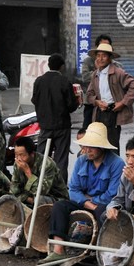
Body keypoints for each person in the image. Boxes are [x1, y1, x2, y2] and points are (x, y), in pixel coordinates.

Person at [42, 123, 125, 264]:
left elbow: (112, 194)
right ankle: (58, 250)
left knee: (103, 213)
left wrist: (93, 202)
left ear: (101, 147)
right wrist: (87, 203)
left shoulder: (116, 163)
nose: (86, 150)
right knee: (59, 206)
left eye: (91, 147)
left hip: (104, 205)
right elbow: (73, 189)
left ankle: (103, 251)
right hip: (85, 203)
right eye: (85, 146)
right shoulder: (81, 160)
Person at [85, 41, 134, 149]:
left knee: (111, 145)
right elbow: (89, 94)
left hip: (112, 113)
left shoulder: (118, 72)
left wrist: (122, 102)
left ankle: (115, 166)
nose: (100, 58)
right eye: (98, 56)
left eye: (104, 56)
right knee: (99, 145)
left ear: (110, 58)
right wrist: (97, 102)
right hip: (99, 113)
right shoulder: (95, 74)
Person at [32, 53, 79, 181]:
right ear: (62, 67)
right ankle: (61, 187)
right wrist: (77, 101)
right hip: (62, 126)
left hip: (45, 126)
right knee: (61, 159)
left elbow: (34, 100)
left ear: (48, 65)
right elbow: (71, 106)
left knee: (41, 157)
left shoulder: (39, 81)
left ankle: (39, 184)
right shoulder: (64, 81)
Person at [9, 136, 68, 206]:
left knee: (39, 200)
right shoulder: (17, 163)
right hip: (30, 197)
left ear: (32, 154)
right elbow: (14, 190)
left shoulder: (47, 164)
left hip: (55, 199)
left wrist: (28, 172)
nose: (18, 158)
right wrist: (28, 199)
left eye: (22, 155)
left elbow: (42, 191)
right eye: (16, 155)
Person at [80, 34, 122, 130]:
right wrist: (99, 72)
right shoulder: (88, 61)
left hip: (110, 106)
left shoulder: (116, 66)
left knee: (111, 133)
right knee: (90, 131)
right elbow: (85, 77)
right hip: (92, 104)